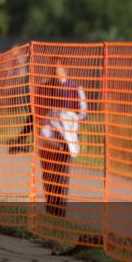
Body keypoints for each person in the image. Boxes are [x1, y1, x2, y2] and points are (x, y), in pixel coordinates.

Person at [36, 62, 87, 217]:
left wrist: (68, 118)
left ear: (65, 68)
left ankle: (60, 212)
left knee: (62, 175)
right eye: (51, 65)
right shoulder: (44, 89)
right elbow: (35, 113)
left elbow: (84, 114)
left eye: (56, 65)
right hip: (47, 139)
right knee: (48, 173)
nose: (52, 68)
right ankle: (51, 206)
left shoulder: (76, 89)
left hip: (65, 140)